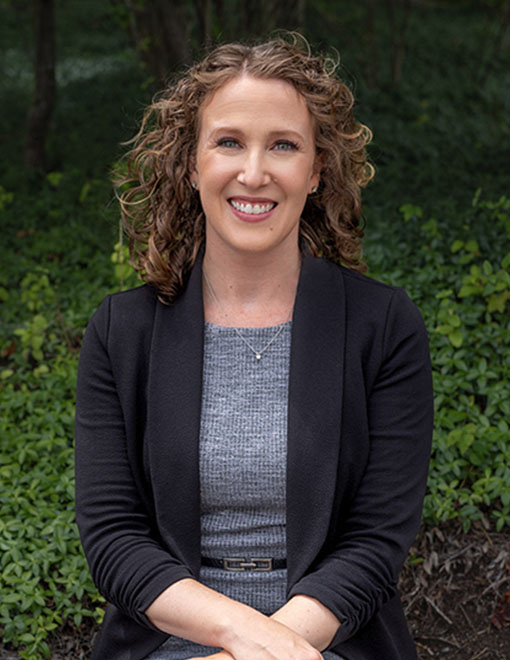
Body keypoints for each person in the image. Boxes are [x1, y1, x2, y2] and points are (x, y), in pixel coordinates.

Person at [74, 34, 434, 660]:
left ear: (317, 169)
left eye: (284, 145)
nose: (254, 172)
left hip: (332, 640)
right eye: (229, 141)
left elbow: (376, 540)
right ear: (191, 163)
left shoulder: (384, 326)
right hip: (169, 635)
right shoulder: (122, 332)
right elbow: (114, 539)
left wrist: (277, 648)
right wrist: (242, 641)